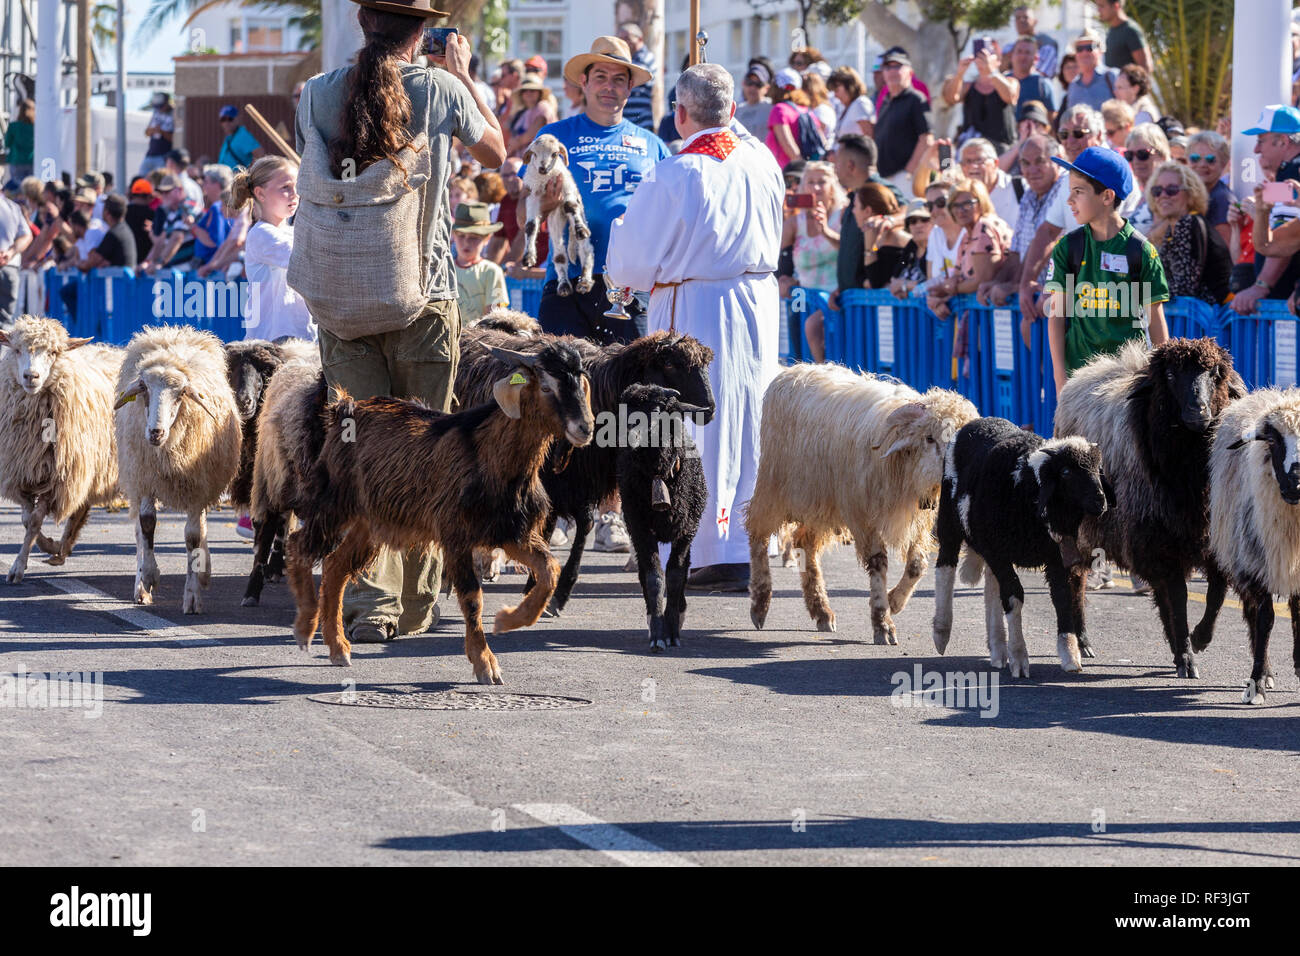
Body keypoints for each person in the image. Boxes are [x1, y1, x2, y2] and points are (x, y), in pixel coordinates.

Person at [294, 0, 504, 645]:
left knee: (358, 449)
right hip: (422, 291)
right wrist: (463, 73)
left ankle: (364, 602)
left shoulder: (315, 94)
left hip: (342, 298)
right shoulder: (439, 89)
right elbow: (496, 154)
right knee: (427, 446)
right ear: (422, 36)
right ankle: (414, 606)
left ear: (363, 27)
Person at [606, 63, 784, 593]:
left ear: (679, 114)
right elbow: (735, 128)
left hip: (695, 304)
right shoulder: (762, 160)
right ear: (731, 110)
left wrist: (619, 234)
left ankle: (705, 542)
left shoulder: (676, 172)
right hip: (756, 301)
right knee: (748, 417)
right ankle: (750, 540)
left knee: (695, 421)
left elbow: (631, 265)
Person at [518, 35, 667, 344]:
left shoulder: (653, 146)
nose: (609, 87)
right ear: (584, 82)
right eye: (600, 77)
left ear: (629, 88)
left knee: (631, 387)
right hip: (566, 285)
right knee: (560, 389)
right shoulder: (554, 136)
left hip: (630, 287)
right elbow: (523, 216)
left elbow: (671, 216)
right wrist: (545, 204)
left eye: (618, 80)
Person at [1043, 145, 1169, 393]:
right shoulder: (1067, 248)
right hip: (1078, 382)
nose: (1070, 200)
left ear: (1107, 196)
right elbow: (1056, 316)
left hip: (1127, 384)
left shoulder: (1142, 251)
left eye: (1078, 192)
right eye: (1070, 192)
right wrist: (1060, 378)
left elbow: (1156, 320)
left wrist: (1163, 377)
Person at [1018, 104, 1106, 323]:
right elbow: (1047, 232)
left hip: (1111, 296)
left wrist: (1061, 284)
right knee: (1029, 326)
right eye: (1064, 134)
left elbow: (1105, 238)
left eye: (1078, 133)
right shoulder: (1070, 177)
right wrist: (1025, 282)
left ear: (1100, 136)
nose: (1070, 141)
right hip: (1080, 296)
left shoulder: (1112, 173)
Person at [978, 132, 1064, 312]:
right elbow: (1017, 253)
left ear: (1058, 160)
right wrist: (999, 282)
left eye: (1040, 161)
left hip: (1060, 301)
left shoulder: (1066, 187)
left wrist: (1018, 285)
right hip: (1036, 301)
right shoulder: (1028, 194)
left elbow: (1050, 240)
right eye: (1025, 163)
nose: (1032, 170)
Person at [1234, 104, 1300, 316]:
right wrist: (1261, 213)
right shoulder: (1285, 174)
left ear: (1282, 141)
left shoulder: (1292, 173)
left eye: (1260, 141)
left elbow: (1281, 238)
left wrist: (1261, 285)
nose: (1255, 150)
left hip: (1285, 302)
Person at [783, 161, 846, 362]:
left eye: (822, 181)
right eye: (810, 182)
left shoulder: (843, 215)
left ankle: (823, 381)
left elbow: (849, 250)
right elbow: (776, 260)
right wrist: (782, 280)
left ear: (832, 187)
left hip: (837, 301)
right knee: (799, 359)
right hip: (803, 301)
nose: (816, 187)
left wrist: (826, 232)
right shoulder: (794, 223)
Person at [1145, 161, 1232, 305]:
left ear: (1190, 193)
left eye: (1172, 190)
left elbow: (1185, 286)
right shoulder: (1172, 229)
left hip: (1211, 318)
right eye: (1157, 191)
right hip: (1193, 317)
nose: (1163, 196)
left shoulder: (1189, 223)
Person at [942, 39, 1018, 153]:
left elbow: (1010, 96)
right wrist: (959, 74)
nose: (984, 58)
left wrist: (992, 71)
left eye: (990, 53)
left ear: (998, 59)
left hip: (1002, 151)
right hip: (973, 150)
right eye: (980, 54)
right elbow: (951, 98)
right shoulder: (968, 86)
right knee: (944, 156)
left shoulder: (1011, 81)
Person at [875, 50, 934, 194]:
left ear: (910, 72)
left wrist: (909, 171)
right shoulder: (886, 101)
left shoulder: (916, 99)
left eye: (898, 66)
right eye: (888, 67)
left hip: (904, 177)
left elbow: (926, 138)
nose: (892, 71)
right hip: (884, 176)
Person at [451, 201, 508, 323]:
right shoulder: (446, 270)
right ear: (453, 235)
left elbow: (494, 317)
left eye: (473, 237)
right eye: (461, 236)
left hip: (477, 339)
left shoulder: (491, 271)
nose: (466, 243)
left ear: (487, 238)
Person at [856, 183, 917, 289]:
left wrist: (871, 250)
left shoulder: (895, 238)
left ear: (867, 211)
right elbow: (859, 277)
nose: (853, 211)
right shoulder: (872, 239)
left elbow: (875, 282)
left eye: (855, 206)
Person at [1120, 122, 1170, 233]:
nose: (1136, 161)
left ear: (1161, 155)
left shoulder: (1168, 192)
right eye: (1129, 155)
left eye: (1143, 154)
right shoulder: (1138, 192)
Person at [1186, 130, 1232, 244]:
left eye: (1210, 160)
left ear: (1224, 163)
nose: (1202, 165)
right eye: (1195, 158)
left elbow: (1223, 251)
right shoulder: (1187, 194)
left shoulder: (1222, 199)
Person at [190, 164, 234, 271]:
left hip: (210, 270)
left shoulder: (217, 207)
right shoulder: (226, 205)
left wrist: (193, 226)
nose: (203, 186)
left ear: (217, 185)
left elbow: (216, 242)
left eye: (206, 182)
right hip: (214, 267)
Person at [78, 193, 136, 271]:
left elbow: (93, 262)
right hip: (122, 281)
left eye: (104, 208)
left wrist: (78, 265)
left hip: (118, 281)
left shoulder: (114, 233)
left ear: (107, 213)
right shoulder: (123, 229)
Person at [765, 67, 811, 168]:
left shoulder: (779, 110)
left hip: (788, 174)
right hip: (803, 173)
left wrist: (802, 171)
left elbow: (790, 148)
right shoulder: (807, 111)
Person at [888, 198, 933, 297]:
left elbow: (937, 284)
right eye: (913, 221)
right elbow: (895, 276)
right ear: (908, 226)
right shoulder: (910, 248)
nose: (918, 225)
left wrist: (905, 285)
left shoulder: (938, 248)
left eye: (924, 220)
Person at [505, 74, 558, 157]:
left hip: (540, 160)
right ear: (521, 94)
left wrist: (513, 144)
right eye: (525, 90)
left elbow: (531, 134)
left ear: (539, 93)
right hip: (524, 159)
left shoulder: (543, 107)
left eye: (532, 90)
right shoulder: (522, 113)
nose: (528, 93)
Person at [618, 22, 657, 133]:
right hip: (626, 118)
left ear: (639, 39)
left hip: (641, 119)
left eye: (627, 38)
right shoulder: (628, 59)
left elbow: (639, 72)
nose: (624, 43)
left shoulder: (646, 57)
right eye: (621, 39)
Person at [1063, 33, 1117, 112]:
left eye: (1090, 48)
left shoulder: (1113, 76)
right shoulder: (1073, 85)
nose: (1084, 53)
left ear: (1100, 51)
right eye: (1079, 49)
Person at [0, 190, 31, 321]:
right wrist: (10, 252)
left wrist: (10, 252)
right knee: (6, 322)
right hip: (8, 266)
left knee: (6, 322)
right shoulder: (12, 207)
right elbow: (26, 235)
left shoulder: (13, 207)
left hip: (7, 266)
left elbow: (27, 236)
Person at [999, 100, 1052, 175]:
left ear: (1045, 129)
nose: (1031, 128)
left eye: (1036, 124)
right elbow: (997, 170)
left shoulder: (1055, 148)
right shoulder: (1013, 151)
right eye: (1027, 124)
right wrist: (1021, 143)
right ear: (1019, 127)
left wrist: (1036, 141)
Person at [1006, 36, 1055, 116]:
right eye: (1019, 51)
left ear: (1036, 58)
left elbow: (1051, 117)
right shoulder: (1003, 81)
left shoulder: (1043, 84)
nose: (1023, 57)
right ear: (1011, 55)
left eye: (1027, 52)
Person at [1097, 0, 1151, 71]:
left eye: (1102, 6)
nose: (1098, 10)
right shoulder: (1111, 31)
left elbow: (1145, 68)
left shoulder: (1130, 30)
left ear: (1116, 6)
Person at [827, 67, 875, 140]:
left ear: (849, 86)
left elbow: (869, 138)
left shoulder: (860, 103)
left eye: (836, 90)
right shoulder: (846, 107)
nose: (835, 95)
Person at [1013, 4, 1058, 78]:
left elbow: (1042, 76)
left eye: (1025, 17)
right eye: (1018, 18)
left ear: (1035, 21)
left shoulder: (1046, 44)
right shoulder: (1012, 46)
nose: (1021, 20)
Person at [736, 63, 775, 139]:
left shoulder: (772, 108)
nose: (753, 88)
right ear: (743, 84)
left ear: (767, 88)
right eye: (749, 83)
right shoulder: (737, 110)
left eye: (758, 84)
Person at [140, 93, 175, 177]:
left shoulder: (174, 114)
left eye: (161, 106)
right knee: (142, 178)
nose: (159, 109)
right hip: (150, 154)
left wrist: (161, 132)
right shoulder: (156, 113)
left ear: (167, 103)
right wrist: (153, 130)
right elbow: (146, 133)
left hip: (163, 155)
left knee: (159, 180)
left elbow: (174, 138)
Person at [5, 98, 34, 182]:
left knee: (18, 187)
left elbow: (7, 143)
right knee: (31, 188)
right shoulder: (36, 127)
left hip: (16, 160)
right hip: (32, 160)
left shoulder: (13, 126)